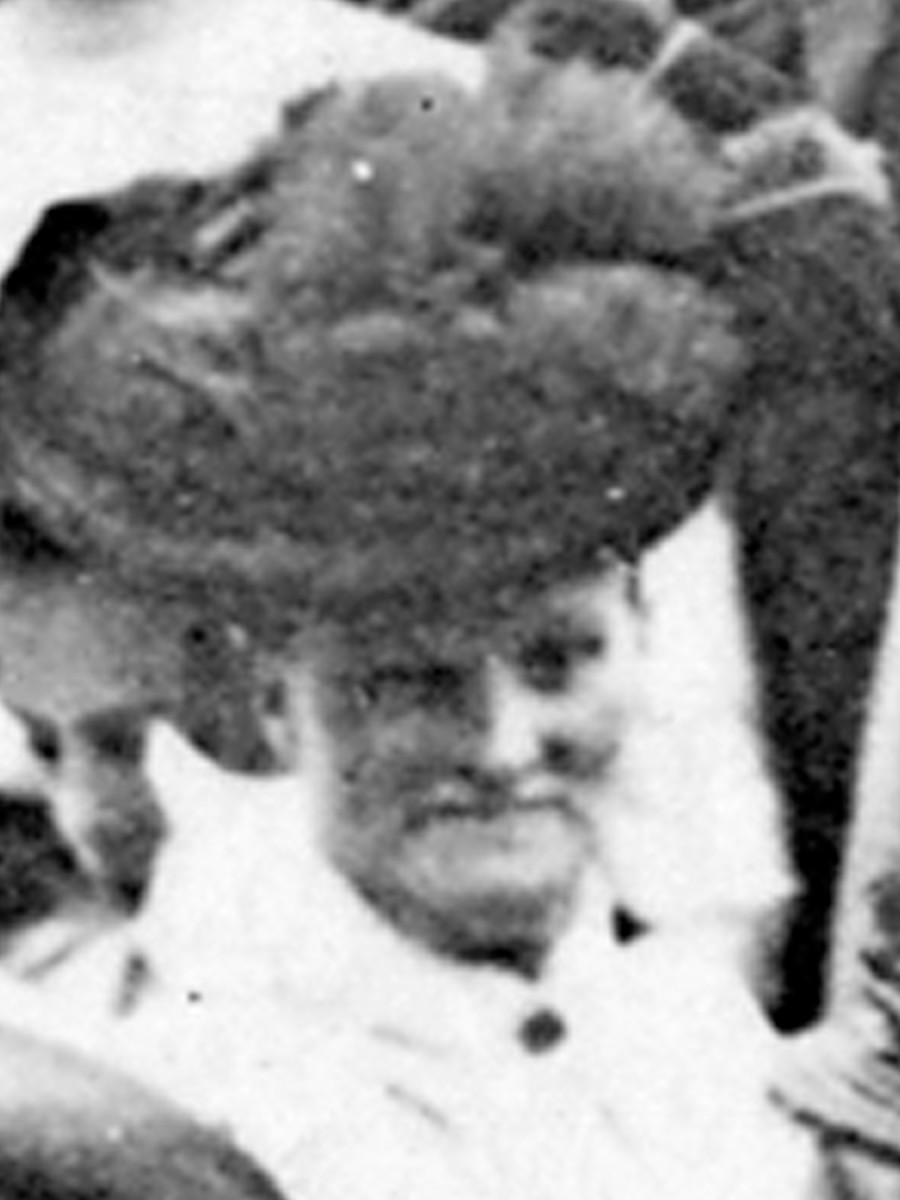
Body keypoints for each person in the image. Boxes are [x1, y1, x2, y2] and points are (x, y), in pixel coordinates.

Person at [0, 15, 891, 1195]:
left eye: (561, 661)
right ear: (270, 706)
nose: (504, 746)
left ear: (646, 640)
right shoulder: (193, 1101)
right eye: (411, 685)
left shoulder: (683, 1027)